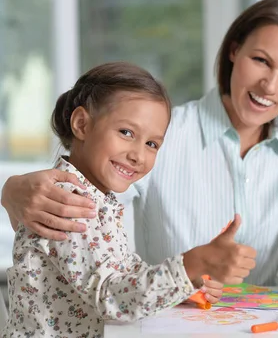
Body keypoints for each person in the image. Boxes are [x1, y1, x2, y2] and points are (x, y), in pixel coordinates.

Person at [1, 0, 278, 293]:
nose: (270, 86)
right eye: (261, 60)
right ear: (234, 50)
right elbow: (87, 200)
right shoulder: (159, 136)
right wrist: (11, 189)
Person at [1, 62, 257, 337]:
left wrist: (181, 285)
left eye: (152, 144)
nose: (138, 155)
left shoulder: (97, 199)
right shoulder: (69, 205)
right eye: (126, 133)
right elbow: (111, 298)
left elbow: (121, 270)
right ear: (82, 124)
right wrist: (190, 264)